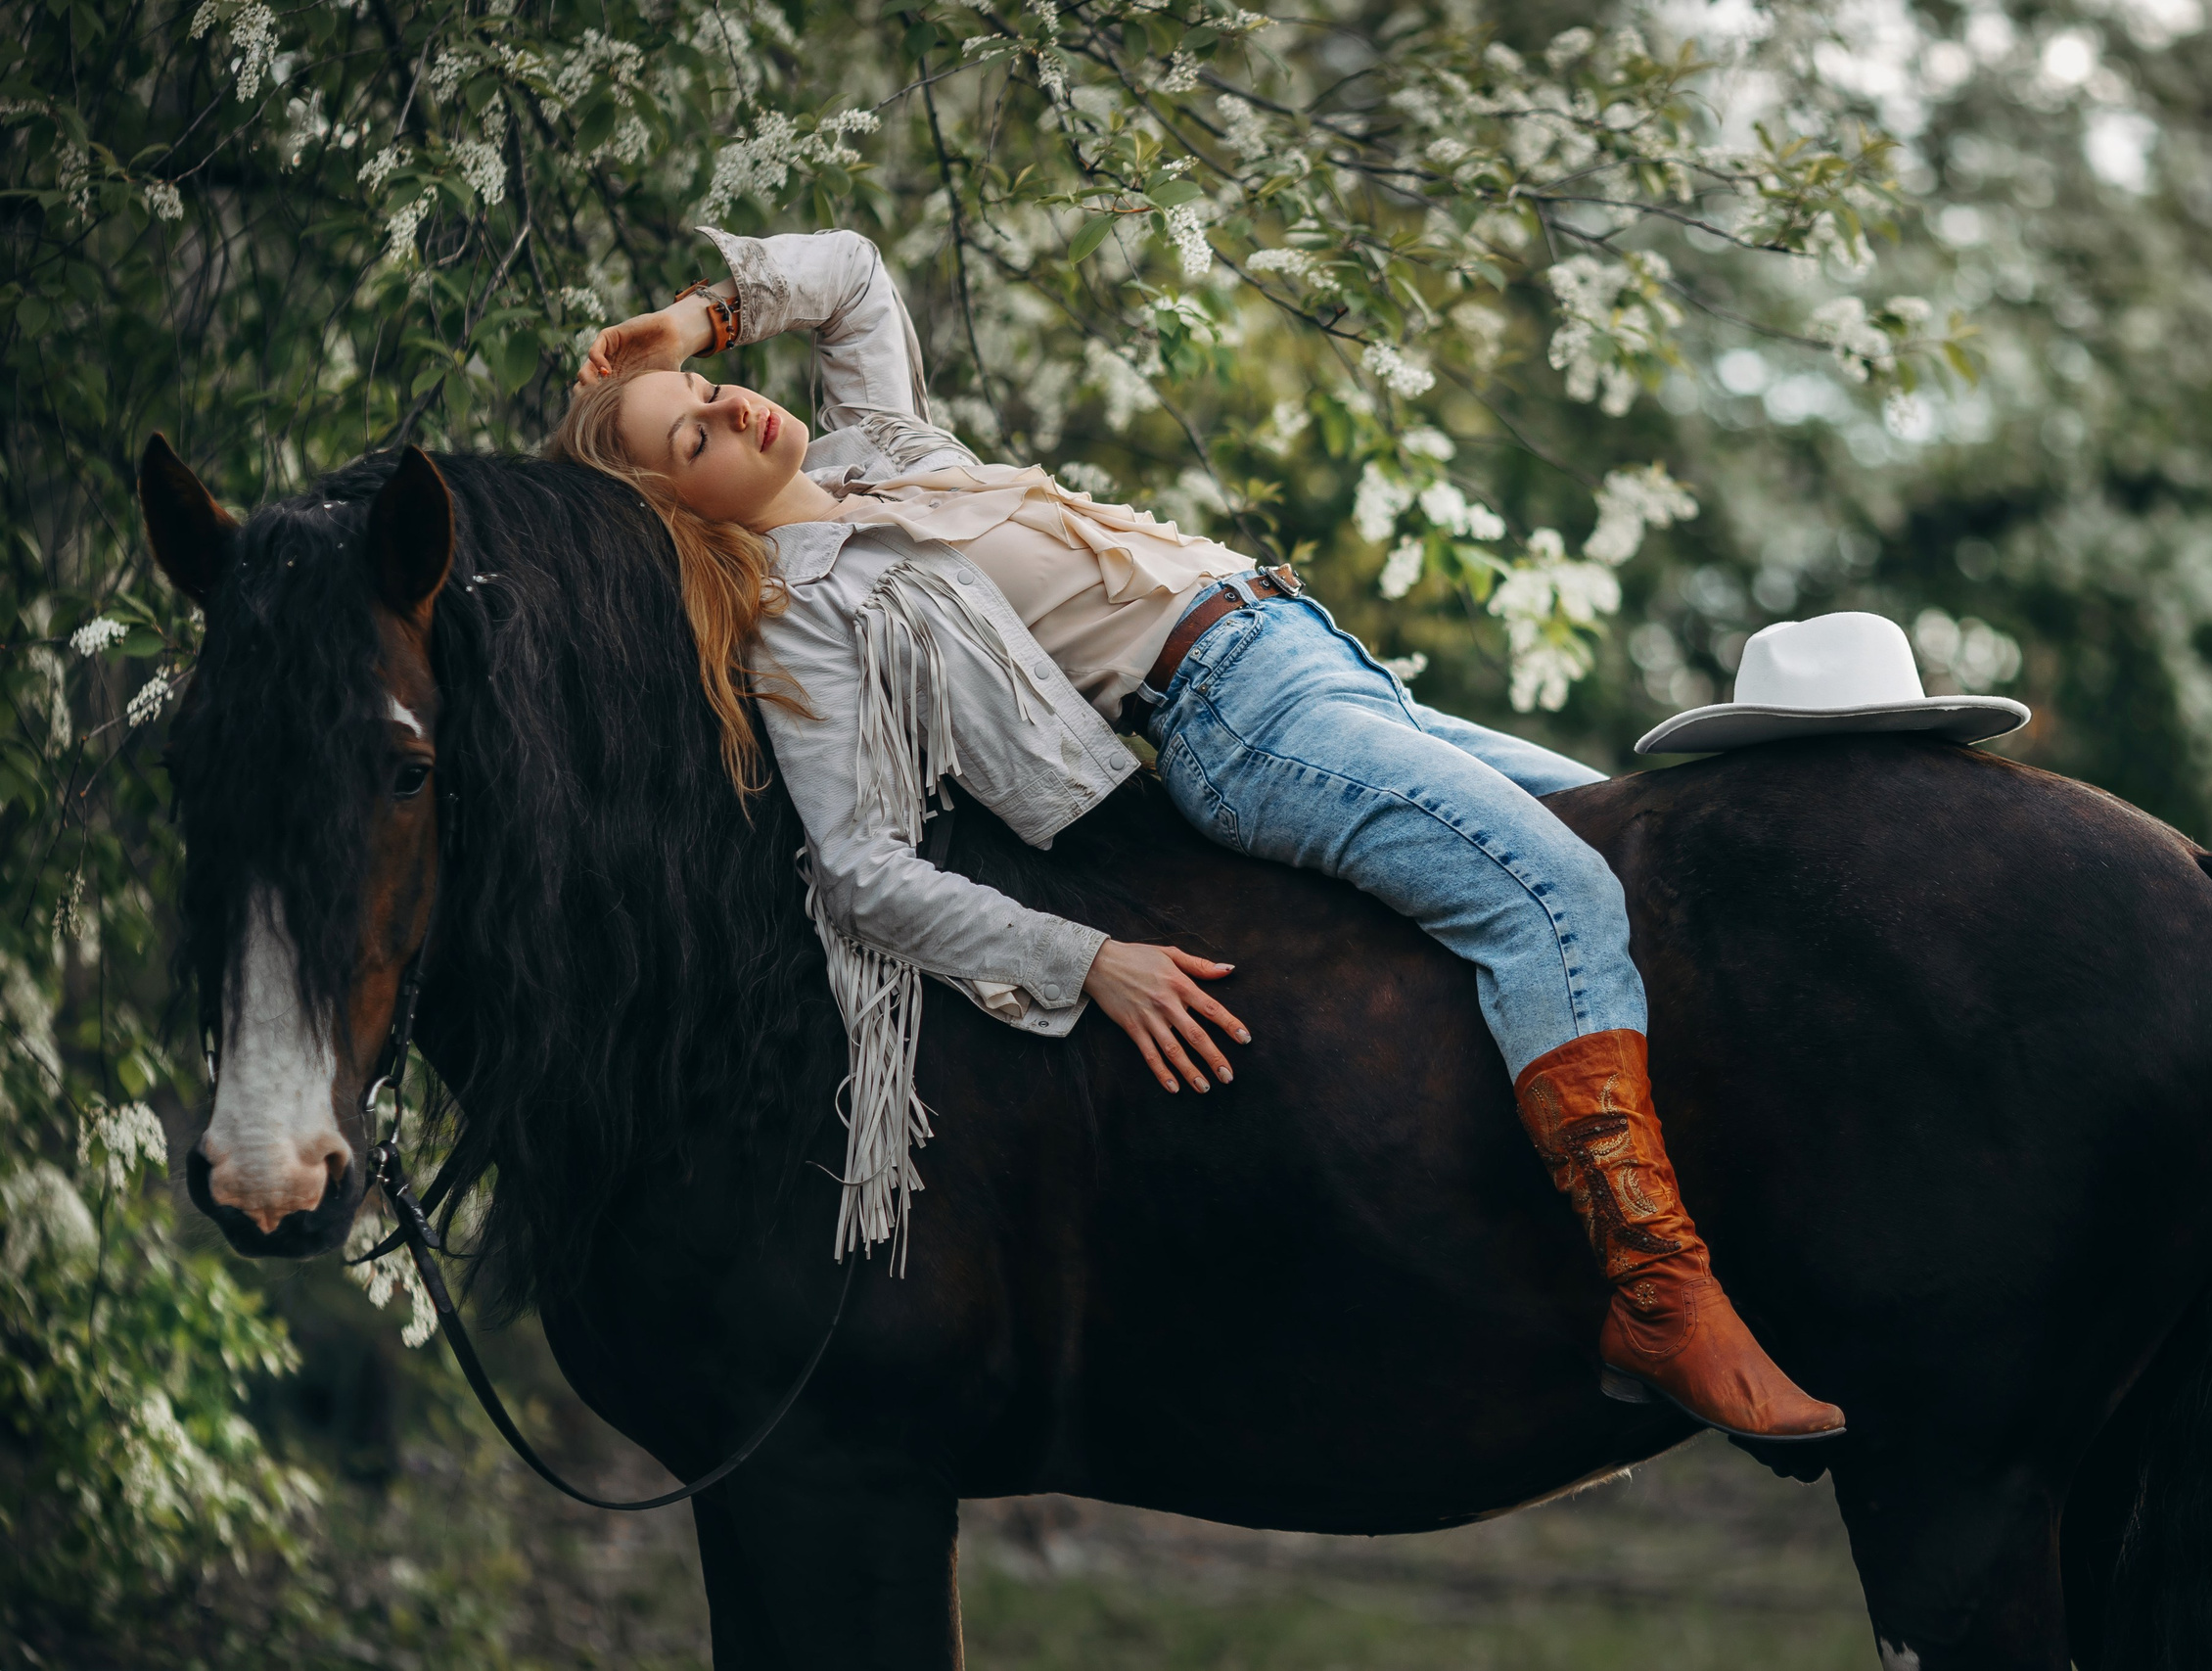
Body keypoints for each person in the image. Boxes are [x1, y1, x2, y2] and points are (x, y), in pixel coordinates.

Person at [545, 224, 1843, 1441]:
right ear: (680, 512)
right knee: (1555, 895)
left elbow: (851, 277)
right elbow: (860, 869)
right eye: (696, 437)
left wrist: (693, 323)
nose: (733, 409)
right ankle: (1656, 1292)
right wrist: (1084, 959)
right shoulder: (804, 627)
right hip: (1237, 720)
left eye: (711, 392)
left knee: (1643, 861)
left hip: (1320, 662)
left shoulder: (874, 449)